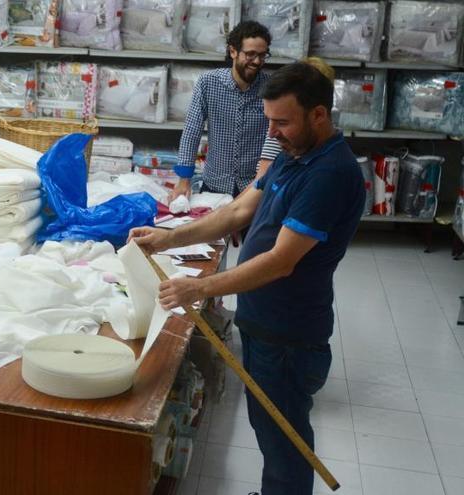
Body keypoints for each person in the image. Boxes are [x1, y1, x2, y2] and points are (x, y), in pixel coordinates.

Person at [131, 62, 364, 495]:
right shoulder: (295, 155)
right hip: (264, 321)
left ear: (319, 115)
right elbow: (237, 212)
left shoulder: (328, 174)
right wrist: (167, 238)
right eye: (268, 121)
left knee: (284, 437)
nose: (272, 133)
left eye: (282, 122)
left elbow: (280, 262)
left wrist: (198, 287)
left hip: (288, 334)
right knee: (269, 426)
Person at [172, 20, 273, 200]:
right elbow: (191, 130)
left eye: (262, 55)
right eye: (250, 54)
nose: (257, 61)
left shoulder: (271, 88)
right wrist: (184, 178)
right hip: (215, 184)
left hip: (255, 187)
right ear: (233, 51)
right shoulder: (208, 83)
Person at [256, 56, 337, 182]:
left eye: (282, 122)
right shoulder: (288, 152)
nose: (271, 133)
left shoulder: (326, 170)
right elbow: (261, 182)